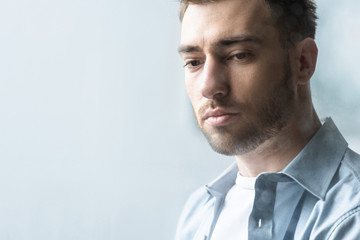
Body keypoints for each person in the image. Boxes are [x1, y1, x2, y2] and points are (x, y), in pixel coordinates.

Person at [175, 0, 360, 239]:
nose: (209, 87)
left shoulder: (352, 214)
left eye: (238, 55)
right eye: (194, 62)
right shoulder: (198, 212)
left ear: (303, 62)